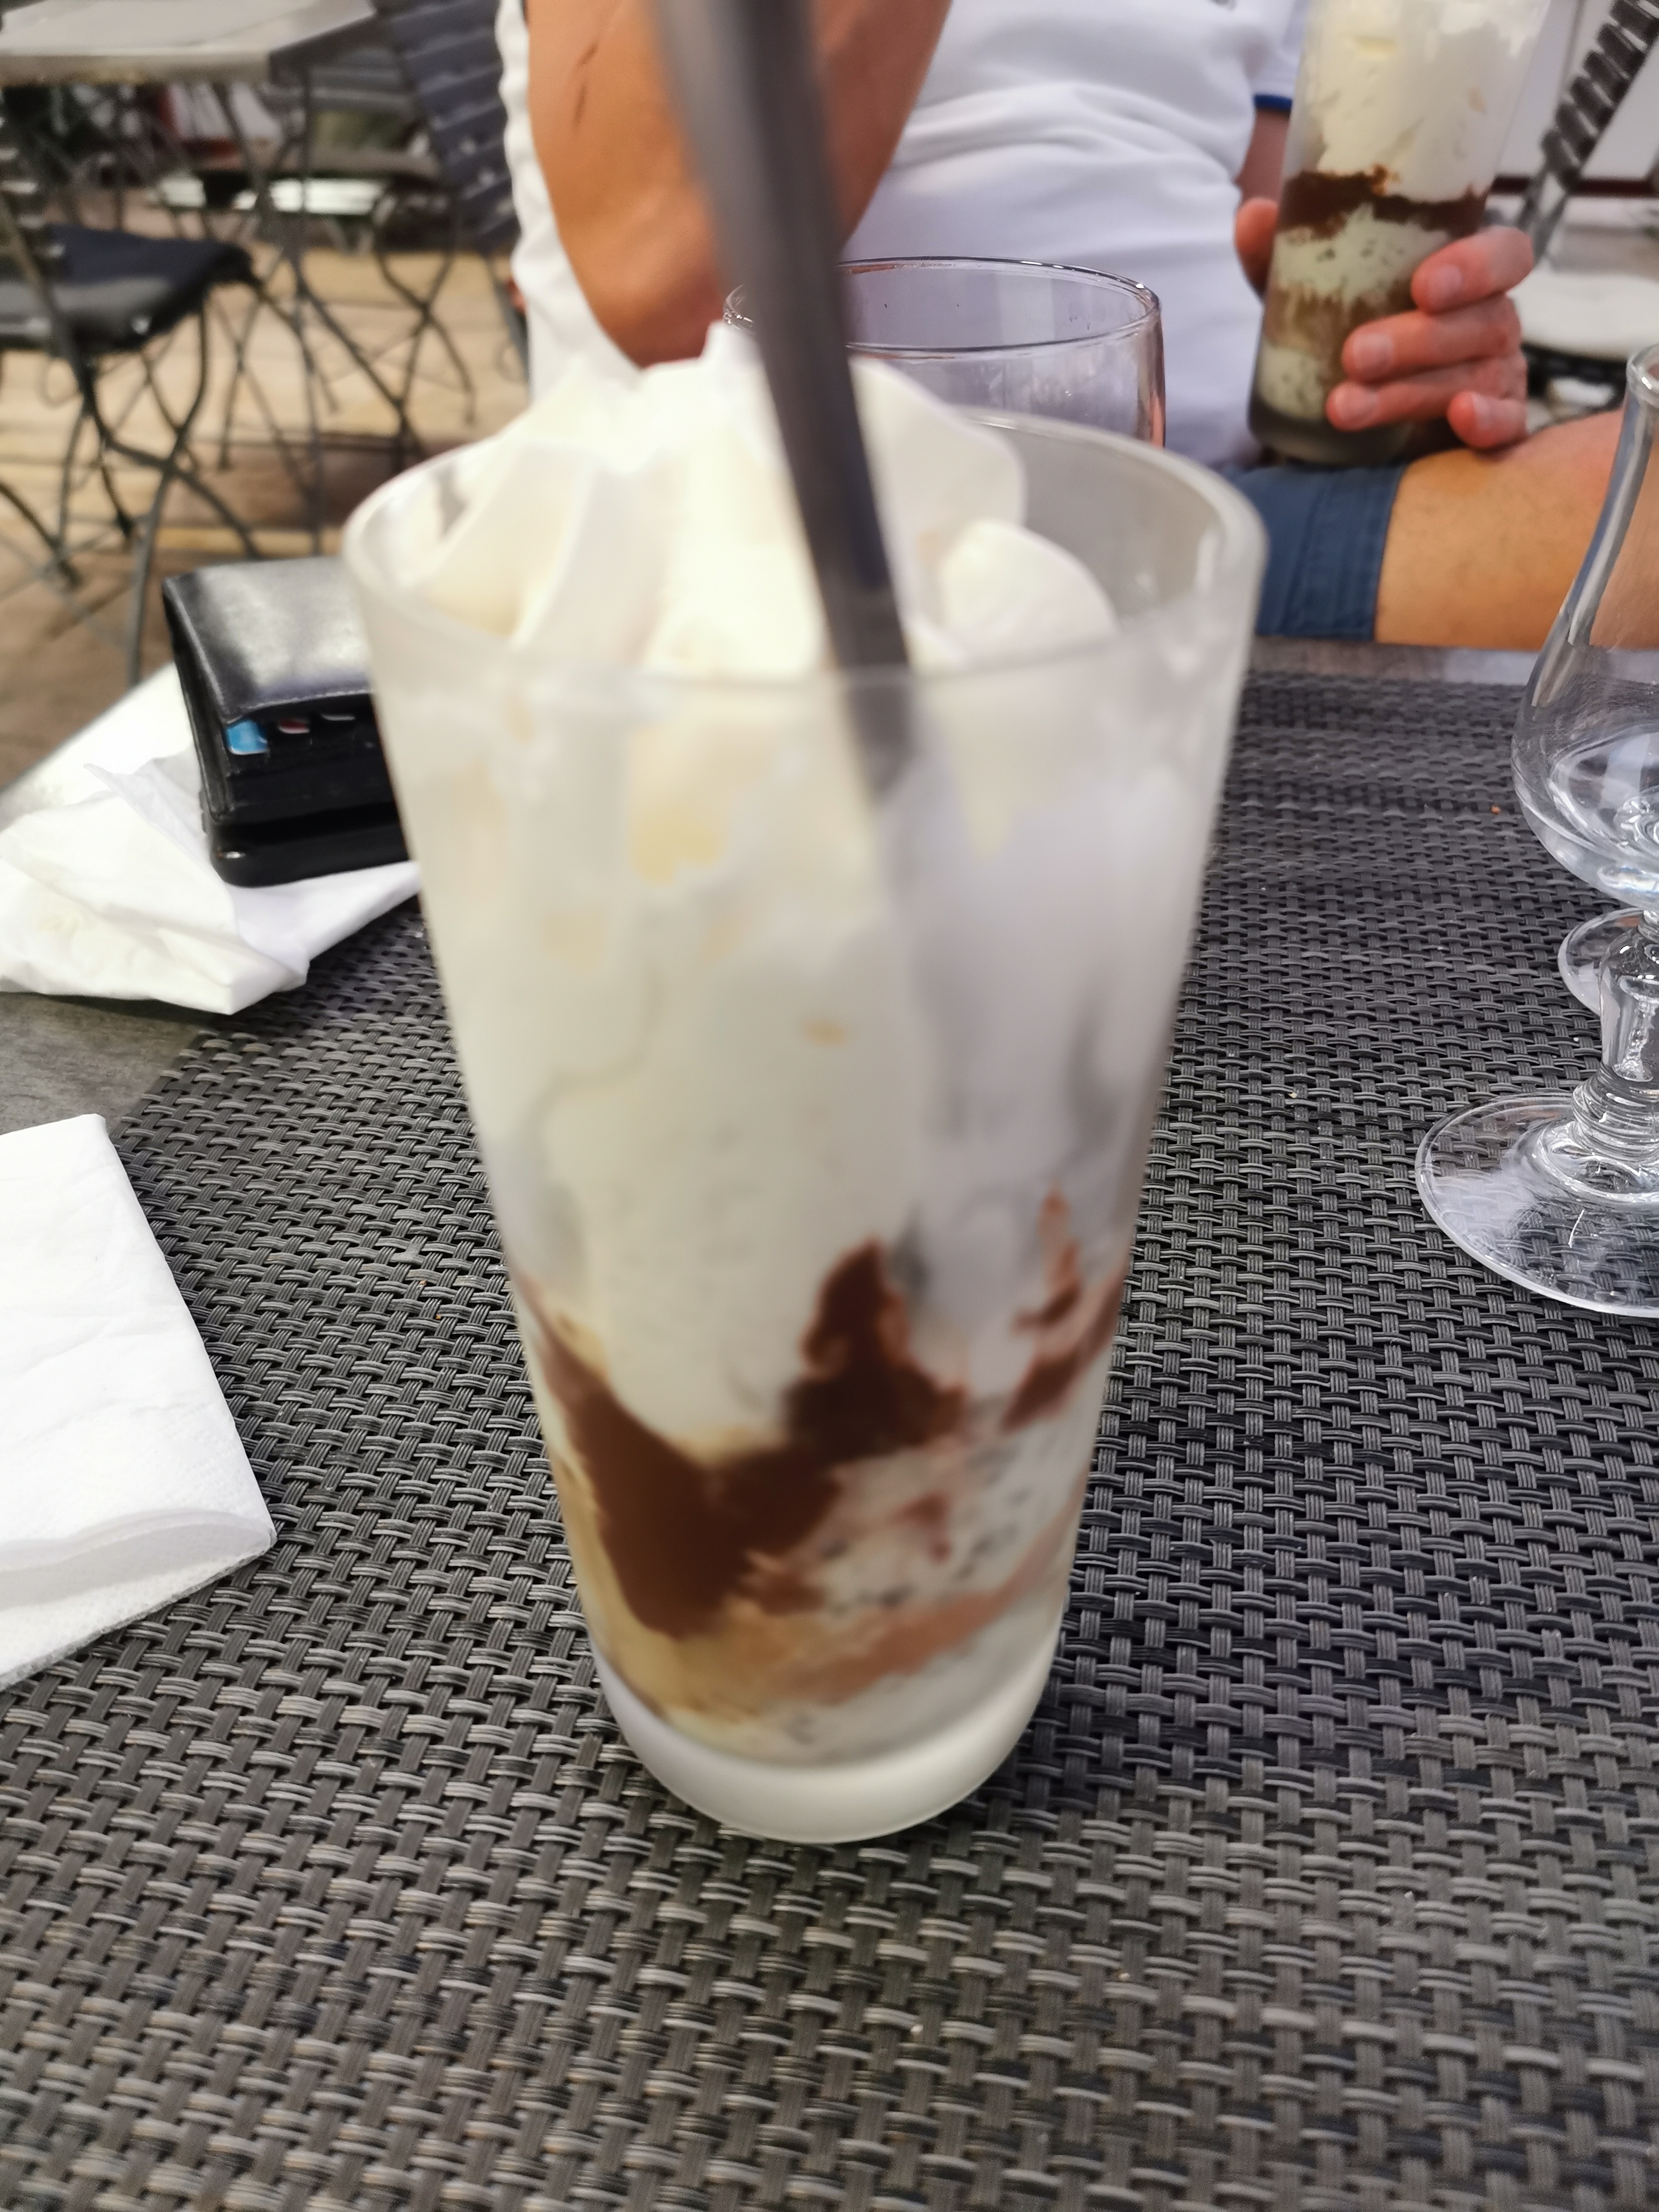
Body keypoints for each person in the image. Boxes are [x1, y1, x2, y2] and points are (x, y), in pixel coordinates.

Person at [494, 0, 1618, 648]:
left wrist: (1395, 376)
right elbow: (664, 277)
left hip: (1206, 520)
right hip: (782, 542)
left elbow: (1281, 263)